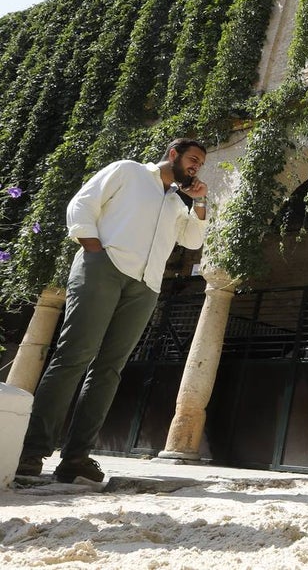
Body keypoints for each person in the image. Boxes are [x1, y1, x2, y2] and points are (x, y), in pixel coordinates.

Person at [17, 138, 210, 483]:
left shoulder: (175, 202)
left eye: (200, 164)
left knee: (109, 369)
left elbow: (193, 240)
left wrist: (199, 203)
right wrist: (93, 248)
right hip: (104, 267)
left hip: (145, 285)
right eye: (193, 159)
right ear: (173, 155)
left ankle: (76, 457)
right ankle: (31, 450)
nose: (196, 167)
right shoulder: (128, 171)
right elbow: (82, 204)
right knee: (75, 355)